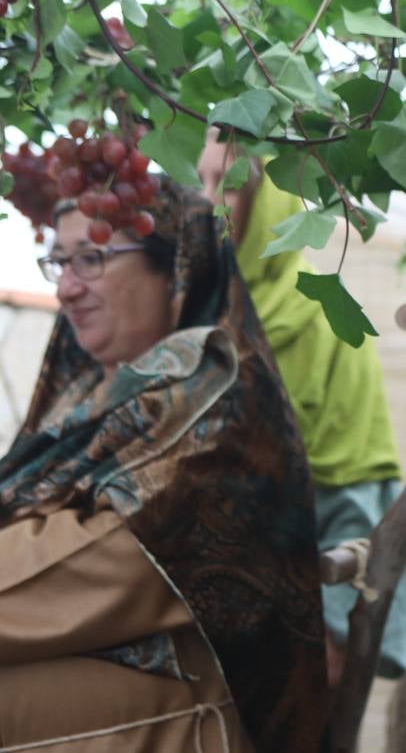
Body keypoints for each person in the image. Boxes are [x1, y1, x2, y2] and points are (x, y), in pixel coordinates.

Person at [0, 179, 329, 751]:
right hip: (91, 659)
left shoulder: (215, 402)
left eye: (91, 258)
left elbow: (104, 569)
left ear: (177, 271)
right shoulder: (86, 394)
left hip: (192, 697)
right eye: (59, 263)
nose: (68, 288)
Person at [197, 129, 406, 685]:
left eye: (225, 185)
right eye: (199, 182)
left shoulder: (320, 314)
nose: (207, 202)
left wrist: (334, 633)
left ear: (266, 197)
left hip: (317, 586)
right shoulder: (209, 314)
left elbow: (355, 480)